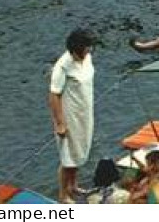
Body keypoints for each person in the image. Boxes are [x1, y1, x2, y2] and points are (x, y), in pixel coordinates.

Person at [49, 29, 95, 204]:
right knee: (67, 156)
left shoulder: (87, 58)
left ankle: (73, 185)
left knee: (79, 151)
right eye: (84, 49)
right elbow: (54, 95)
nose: (88, 51)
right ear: (75, 49)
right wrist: (60, 123)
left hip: (84, 113)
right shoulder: (62, 66)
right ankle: (63, 194)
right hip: (69, 116)